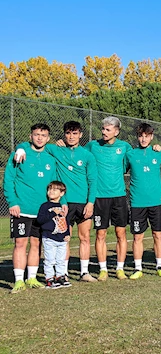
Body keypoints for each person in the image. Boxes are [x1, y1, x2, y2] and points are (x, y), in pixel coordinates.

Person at [14, 121, 98, 282]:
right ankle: (62, 273)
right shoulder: (55, 149)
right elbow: (35, 143)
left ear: (81, 135)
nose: (71, 136)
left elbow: (93, 180)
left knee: (85, 237)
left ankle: (84, 272)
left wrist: (91, 202)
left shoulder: (88, 155)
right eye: (68, 133)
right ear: (64, 134)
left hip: (83, 202)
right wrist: (20, 147)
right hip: (63, 203)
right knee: (64, 237)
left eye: (75, 133)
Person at [4, 124, 57, 293]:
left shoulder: (50, 158)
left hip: (42, 211)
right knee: (20, 243)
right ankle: (19, 280)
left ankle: (32, 278)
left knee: (37, 243)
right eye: (36, 134)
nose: (39, 138)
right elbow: (8, 179)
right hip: (22, 208)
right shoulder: (19, 154)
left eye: (43, 135)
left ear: (48, 138)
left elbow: (54, 184)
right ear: (30, 136)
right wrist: (12, 202)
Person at [86, 116, 132, 280]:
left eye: (108, 129)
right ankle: (103, 269)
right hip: (99, 197)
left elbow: (129, 164)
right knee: (101, 234)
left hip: (119, 196)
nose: (104, 132)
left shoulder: (125, 147)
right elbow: (78, 155)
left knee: (121, 233)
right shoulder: (92, 145)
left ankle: (120, 268)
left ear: (116, 131)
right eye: (103, 129)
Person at [125, 123, 161, 278]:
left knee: (158, 234)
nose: (143, 139)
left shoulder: (159, 154)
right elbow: (122, 169)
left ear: (151, 136)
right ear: (137, 137)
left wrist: (159, 148)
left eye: (146, 136)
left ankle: (160, 266)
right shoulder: (130, 154)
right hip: (137, 203)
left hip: (156, 202)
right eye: (141, 136)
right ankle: (138, 268)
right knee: (137, 236)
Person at [37, 181, 71, 289]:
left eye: (55, 189)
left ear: (62, 193)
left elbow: (65, 221)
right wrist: (53, 213)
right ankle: (49, 278)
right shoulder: (45, 206)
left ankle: (60, 276)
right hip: (49, 238)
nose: (51, 191)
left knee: (60, 259)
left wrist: (67, 233)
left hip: (61, 238)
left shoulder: (62, 207)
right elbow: (40, 220)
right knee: (50, 260)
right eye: (50, 189)